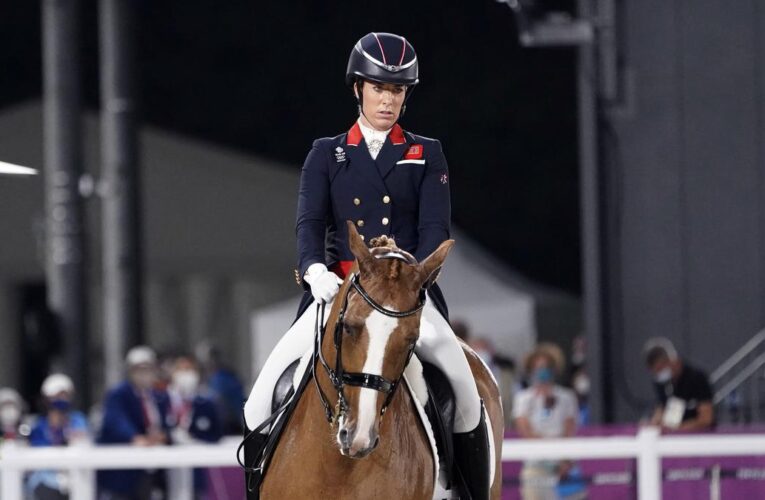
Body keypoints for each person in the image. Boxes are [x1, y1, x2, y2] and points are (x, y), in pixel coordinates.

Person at [242, 32, 490, 498]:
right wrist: (313, 269)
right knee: (260, 399)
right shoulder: (327, 153)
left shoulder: (425, 152)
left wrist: (407, 273)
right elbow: (309, 223)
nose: (387, 100)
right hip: (338, 291)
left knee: (463, 389)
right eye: (378, 88)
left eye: (396, 90)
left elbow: (436, 229)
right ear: (359, 89)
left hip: (404, 297)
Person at [97, 346, 171, 500]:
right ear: (130, 371)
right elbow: (116, 420)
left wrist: (163, 436)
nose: (144, 373)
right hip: (123, 471)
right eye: (139, 369)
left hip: (153, 468)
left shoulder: (160, 396)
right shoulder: (119, 393)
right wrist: (135, 437)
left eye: (148, 368)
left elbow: (167, 422)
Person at [513, 344, 581, 500]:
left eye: (545, 367)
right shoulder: (524, 399)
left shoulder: (566, 397)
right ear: (531, 370)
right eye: (538, 367)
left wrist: (564, 460)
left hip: (563, 465)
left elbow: (569, 430)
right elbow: (525, 430)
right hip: (536, 465)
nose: (542, 371)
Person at [167, 355, 223, 498]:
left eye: (189, 370)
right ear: (173, 373)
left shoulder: (207, 403)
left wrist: (195, 438)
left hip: (196, 471)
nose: (186, 374)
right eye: (181, 369)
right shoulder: (163, 400)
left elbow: (218, 433)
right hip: (167, 470)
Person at [27, 374, 89, 500]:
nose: (61, 399)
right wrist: (54, 426)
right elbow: (37, 450)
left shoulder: (78, 420)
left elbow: (82, 441)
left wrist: (66, 427)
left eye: (64, 395)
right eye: (56, 396)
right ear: (47, 399)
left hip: (74, 476)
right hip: (46, 479)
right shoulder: (39, 425)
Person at [643, 337, 714, 431]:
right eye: (656, 372)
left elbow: (706, 418)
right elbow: (661, 409)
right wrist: (655, 423)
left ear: (672, 360)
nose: (660, 374)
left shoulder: (696, 378)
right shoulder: (662, 382)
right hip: (674, 436)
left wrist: (678, 429)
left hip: (698, 437)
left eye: (661, 368)